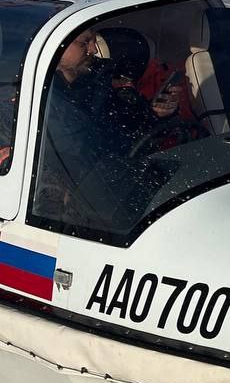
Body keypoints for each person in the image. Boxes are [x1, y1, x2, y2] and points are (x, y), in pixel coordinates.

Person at [34, 28, 183, 232]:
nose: (94, 49)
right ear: (56, 46)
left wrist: (160, 114)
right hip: (88, 212)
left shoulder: (99, 85)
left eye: (94, 41)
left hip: (122, 185)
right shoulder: (36, 99)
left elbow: (131, 129)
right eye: (84, 42)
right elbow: (76, 163)